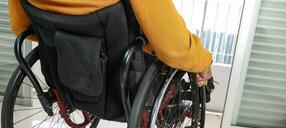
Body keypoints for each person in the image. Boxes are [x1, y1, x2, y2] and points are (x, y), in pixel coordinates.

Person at [8, 0, 212, 87]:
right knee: (162, 41)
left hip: (59, 67)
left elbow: (20, 26)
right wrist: (202, 61)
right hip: (117, 75)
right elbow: (172, 49)